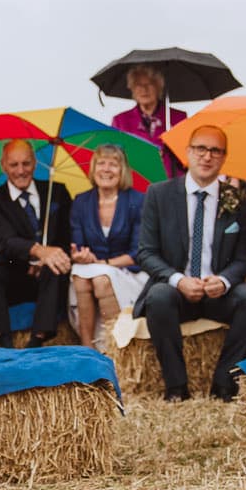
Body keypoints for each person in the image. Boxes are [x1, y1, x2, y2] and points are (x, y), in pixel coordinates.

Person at [132, 124, 246, 401]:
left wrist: (225, 280)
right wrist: (178, 280)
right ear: (188, 153)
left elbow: (243, 259)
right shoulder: (159, 194)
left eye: (215, 151)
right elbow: (146, 252)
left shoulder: (237, 200)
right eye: (201, 149)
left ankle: (223, 384)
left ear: (224, 157)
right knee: (158, 296)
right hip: (176, 292)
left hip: (217, 292)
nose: (207, 156)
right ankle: (176, 388)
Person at [0, 139, 75, 347]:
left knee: (55, 269)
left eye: (26, 163)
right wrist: (38, 253)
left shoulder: (57, 192)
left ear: (35, 163)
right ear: (3, 166)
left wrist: (50, 259)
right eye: (14, 165)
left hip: (51, 280)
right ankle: (1, 340)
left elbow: (68, 237)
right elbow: (4, 243)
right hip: (15, 274)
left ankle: (37, 341)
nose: (21, 171)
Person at [66, 142, 146, 348]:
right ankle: (88, 349)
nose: (106, 169)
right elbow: (78, 245)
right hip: (91, 270)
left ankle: (114, 347)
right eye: (101, 163)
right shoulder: (81, 201)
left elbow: (137, 252)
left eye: (113, 164)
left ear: (123, 170)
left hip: (128, 270)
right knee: (80, 277)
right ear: (93, 168)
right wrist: (80, 255)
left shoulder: (138, 200)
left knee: (101, 279)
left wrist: (103, 263)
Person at [109, 63, 187, 174]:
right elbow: (114, 158)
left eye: (149, 84)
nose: (144, 89)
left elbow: (188, 158)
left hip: (170, 183)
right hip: (135, 183)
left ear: (159, 87)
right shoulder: (120, 121)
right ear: (132, 89)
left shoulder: (178, 117)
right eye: (138, 85)